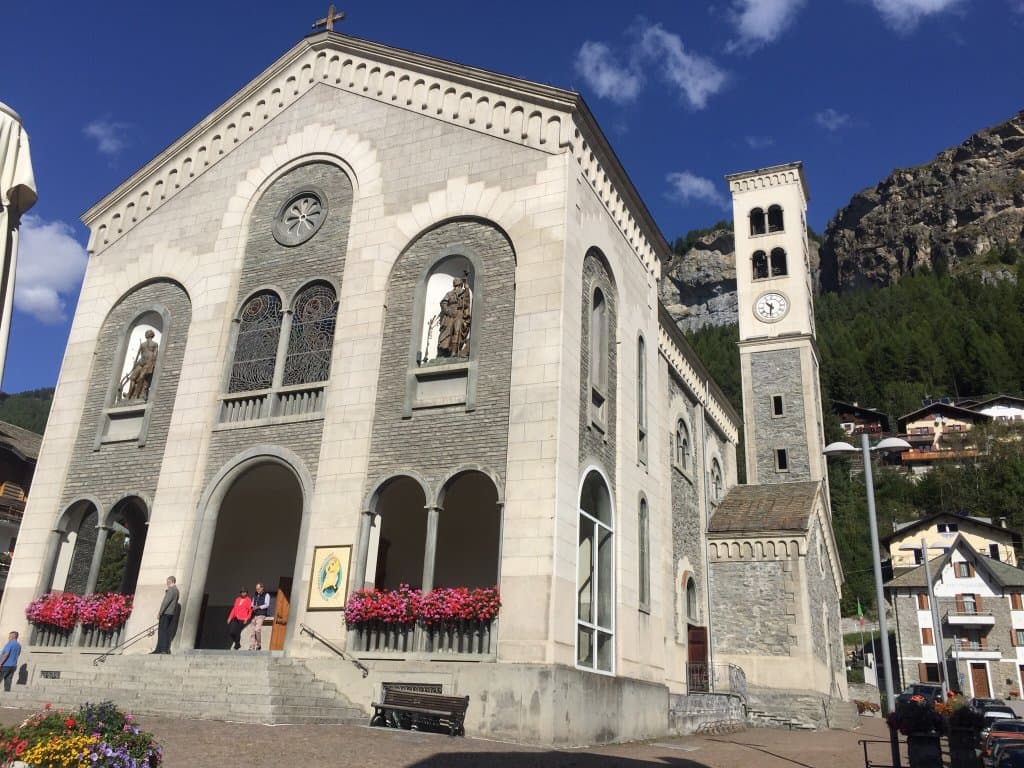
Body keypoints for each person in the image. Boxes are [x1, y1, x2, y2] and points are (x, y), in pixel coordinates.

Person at [437, 276, 471, 358]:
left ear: (460, 283)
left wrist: (466, 289)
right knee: (447, 332)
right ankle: (445, 350)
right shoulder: (449, 293)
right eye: (454, 281)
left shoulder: (464, 293)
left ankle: (454, 352)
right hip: (450, 314)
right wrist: (448, 311)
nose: (455, 282)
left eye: (456, 281)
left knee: (457, 331)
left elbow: (466, 304)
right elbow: (443, 303)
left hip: (459, 314)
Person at [123, 329, 159, 401]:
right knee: (133, 378)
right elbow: (138, 354)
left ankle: (136, 395)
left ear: (151, 335)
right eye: (146, 333)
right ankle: (128, 395)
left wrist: (152, 364)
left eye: (147, 333)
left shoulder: (155, 344)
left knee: (141, 378)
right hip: (141, 362)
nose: (146, 334)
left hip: (148, 363)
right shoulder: (142, 344)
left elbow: (155, 354)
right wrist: (135, 363)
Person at [153, 576, 179, 654]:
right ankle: (159, 649)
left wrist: (160, 612)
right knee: (165, 631)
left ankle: (163, 649)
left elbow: (165, 602)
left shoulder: (171, 590)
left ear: (171, 581)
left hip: (166, 613)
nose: (166, 583)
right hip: (171, 613)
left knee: (162, 631)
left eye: (167, 581)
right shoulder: (177, 591)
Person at [248, 583, 271, 651]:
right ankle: (252, 646)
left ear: (262, 588)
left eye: (258, 589)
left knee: (257, 629)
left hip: (261, 614)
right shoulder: (255, 595)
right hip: (254, 614)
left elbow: (267, 604)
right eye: (256, 589)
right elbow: (252, 603)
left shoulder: (266, 595)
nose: (257, 590)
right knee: (252, 631)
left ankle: (258, 644)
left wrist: (258, 607)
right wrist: (252, 606)